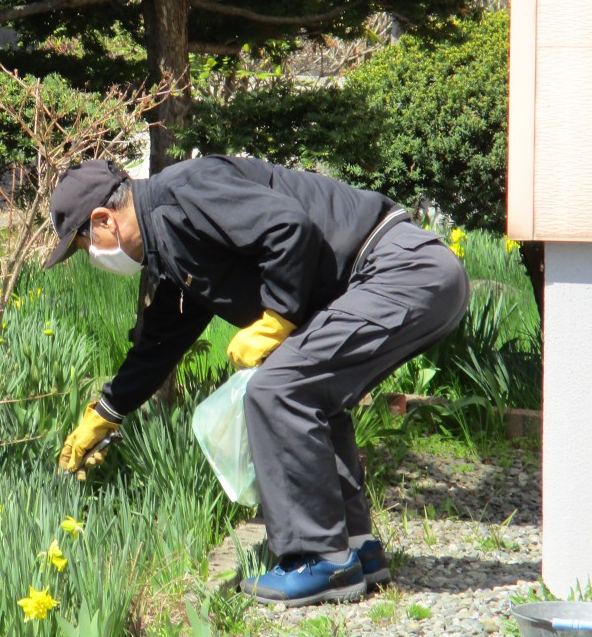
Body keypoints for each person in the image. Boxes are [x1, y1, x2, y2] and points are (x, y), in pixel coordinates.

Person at [47, 156, 469, 607]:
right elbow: (160, 343)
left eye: (83, 244)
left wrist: (277, 317)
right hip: (402, 277)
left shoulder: (186, 193)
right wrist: (106, 413)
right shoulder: (167, 241)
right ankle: (356, 549)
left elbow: (288, 228)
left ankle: (319, 560)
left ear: (103, 219)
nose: (91, 256)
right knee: (312, 392)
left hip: (401, 271)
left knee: (277, 389)